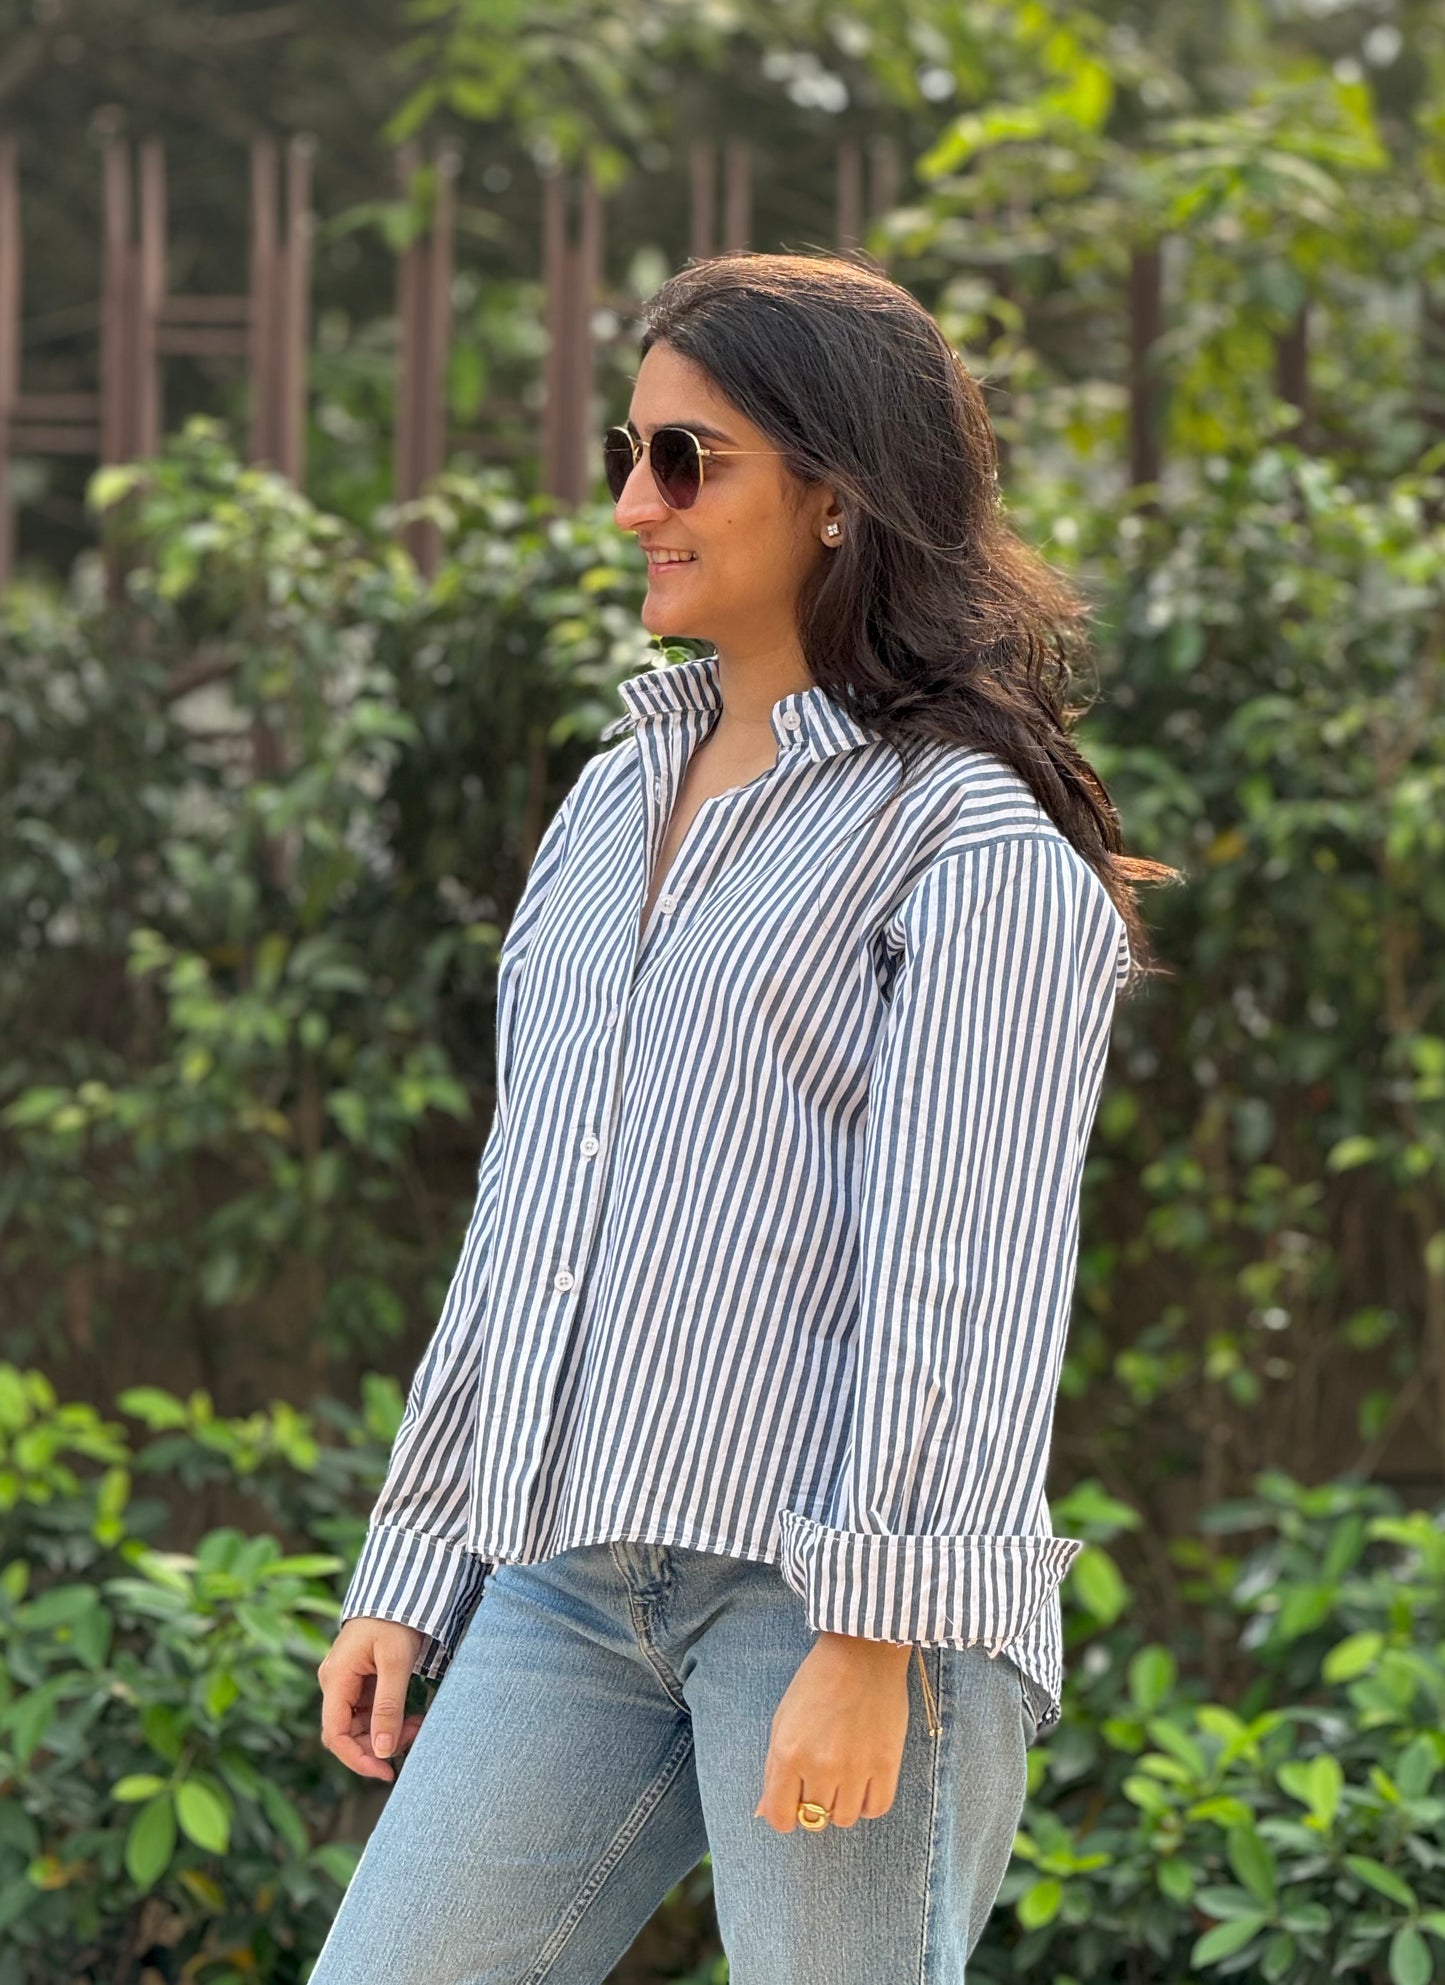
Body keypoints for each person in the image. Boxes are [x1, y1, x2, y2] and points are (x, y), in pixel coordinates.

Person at [310, 250, 1176, 1985]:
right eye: (622, 453)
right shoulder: (611, 794)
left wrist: (869, 1628)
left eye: (685, 459)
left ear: (837, 492)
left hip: (838, 1594)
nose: (635, 501)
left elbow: (961, 1263)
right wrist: (412, 1558)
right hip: (569, 1570)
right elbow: (528, 1211)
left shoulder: (974, 847)